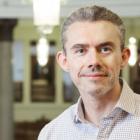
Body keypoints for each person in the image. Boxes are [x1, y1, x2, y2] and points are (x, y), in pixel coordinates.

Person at [38, 5, 140, 140]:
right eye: (80, 51)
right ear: (64, 61)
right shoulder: (51, 134)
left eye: (105, 49)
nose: (94, 61)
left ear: (124, 57)